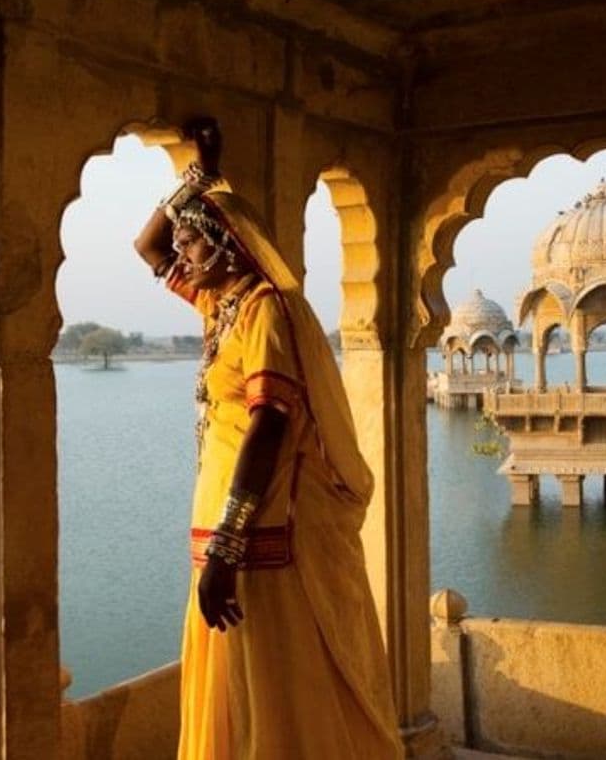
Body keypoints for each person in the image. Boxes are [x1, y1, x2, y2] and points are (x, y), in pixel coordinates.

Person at [133, 119, 402, 759]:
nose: (183, 254)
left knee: (273, 685)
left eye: (194, 244)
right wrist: (198, 175)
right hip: (222, 525)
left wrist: (229, 546)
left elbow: (269, 424)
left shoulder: (262, 312)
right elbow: (146, 248)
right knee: (233, 684)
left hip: (259, 531)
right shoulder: (217, 305)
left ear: (227, 247)